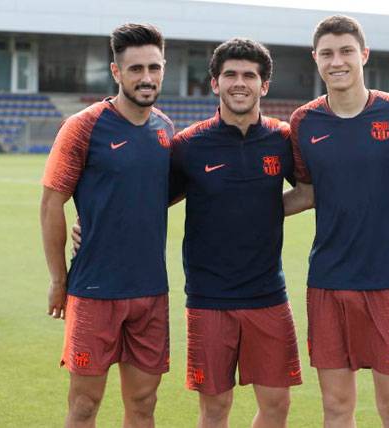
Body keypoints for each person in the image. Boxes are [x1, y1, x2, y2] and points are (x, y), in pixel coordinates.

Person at [283, 15, 389, 428]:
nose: (337, 61)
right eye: (327, 53)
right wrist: (233, 211)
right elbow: (307, 193)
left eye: (346, 51)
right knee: (336, 407)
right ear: (315, 59)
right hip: (329, 279)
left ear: (364, 54)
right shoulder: (303, 122)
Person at [40, 23, 174, 427]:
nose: (146, 77)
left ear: (163, 68)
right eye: (135, 69)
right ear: (116, 72)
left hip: (150, 290)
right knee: (84, 405)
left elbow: (157, 191)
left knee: (144, 404)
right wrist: (58, 280)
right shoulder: (83, 126)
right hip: (94, 291)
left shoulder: (166, 129)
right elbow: (51, 203)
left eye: (153, 67)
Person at [170, 37, 302, 428]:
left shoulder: (282, 139)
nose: (239, 82)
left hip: (268, 293)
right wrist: (88, 223)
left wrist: (262, 209)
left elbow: (310, 192)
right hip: (209, 297)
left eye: (249, 75)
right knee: (214, 409)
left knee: (277, 405)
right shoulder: (188, 145)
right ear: (215, 83)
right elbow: (150, 202)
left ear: (264, 85)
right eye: (230, 74)